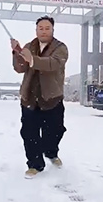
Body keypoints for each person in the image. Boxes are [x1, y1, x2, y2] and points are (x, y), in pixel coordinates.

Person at [11, 16, 69, 178]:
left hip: (52, 99)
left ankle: (50, 152)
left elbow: (53, 64)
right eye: (40, 28)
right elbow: (20, 68)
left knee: (55, 131)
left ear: (52, 30)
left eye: (47, 28)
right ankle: (35, 164)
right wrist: (17, 53)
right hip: (29, 98)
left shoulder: (61, 48)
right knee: (29, 133)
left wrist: (32, 59)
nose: (44, 31)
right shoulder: (30, 46)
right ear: (36, 30)